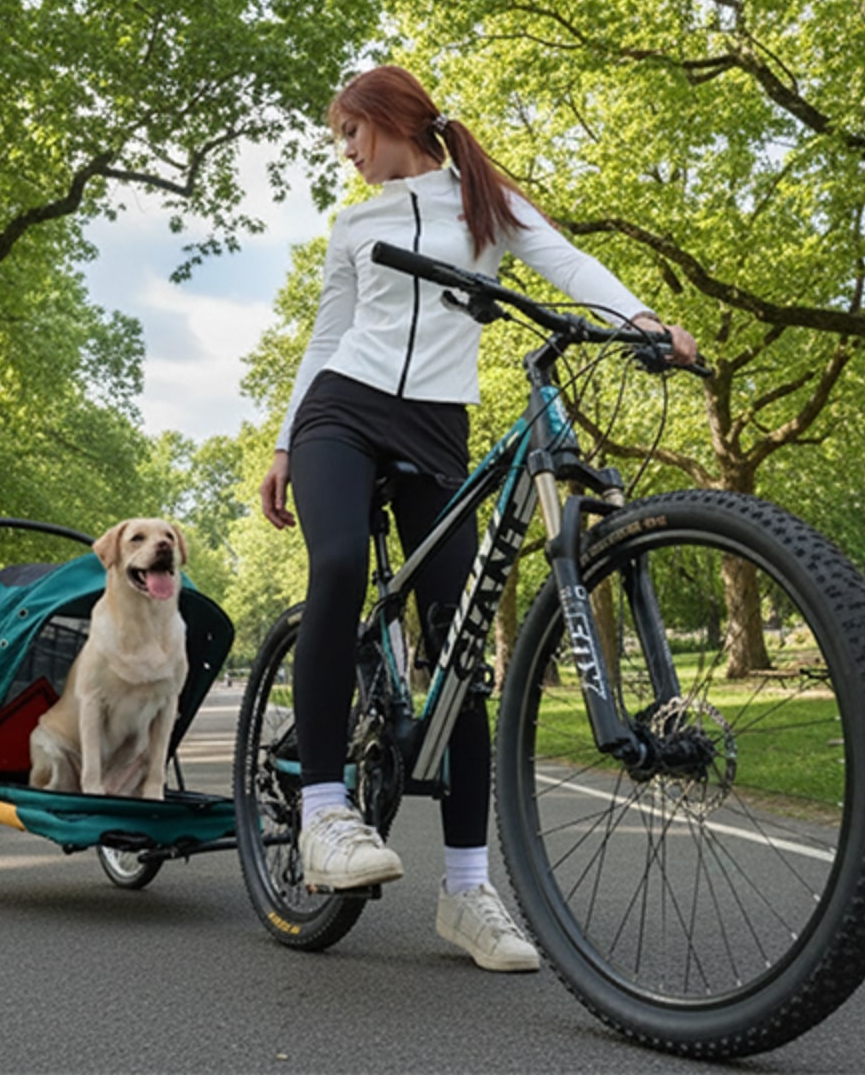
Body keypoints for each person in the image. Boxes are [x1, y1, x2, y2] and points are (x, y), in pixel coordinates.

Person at [257, 65, 698, 973]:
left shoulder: (484, 200)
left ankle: (467, 892)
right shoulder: (355, 223)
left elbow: (565, 261)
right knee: (338, 564)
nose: (346, 154)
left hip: (435, 423)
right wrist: (283, 444)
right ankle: (325, 815)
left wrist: (642, 317)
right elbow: (327, 333)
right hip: (343, 410)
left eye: (350, 132)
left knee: (462, 649)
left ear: (388, 120)